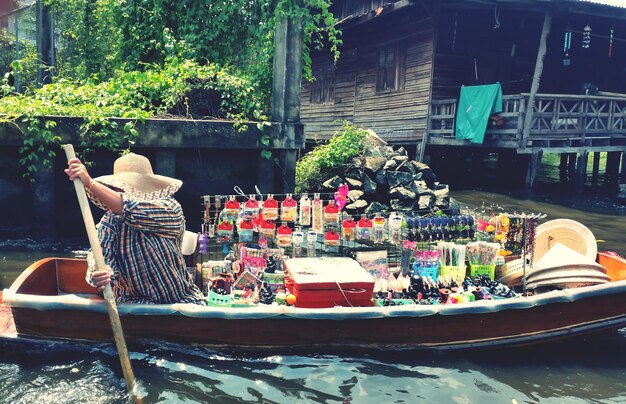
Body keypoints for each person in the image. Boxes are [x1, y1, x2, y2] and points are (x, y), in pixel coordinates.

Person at [65, 152, 206, 305]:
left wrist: (90, 184)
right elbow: (99, 257)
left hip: (178, 301)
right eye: (118, 188)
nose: (121, 191)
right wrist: (101, 272)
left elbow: (128, 208)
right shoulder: (109, 222)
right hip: (132, 304)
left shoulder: (170, 209)